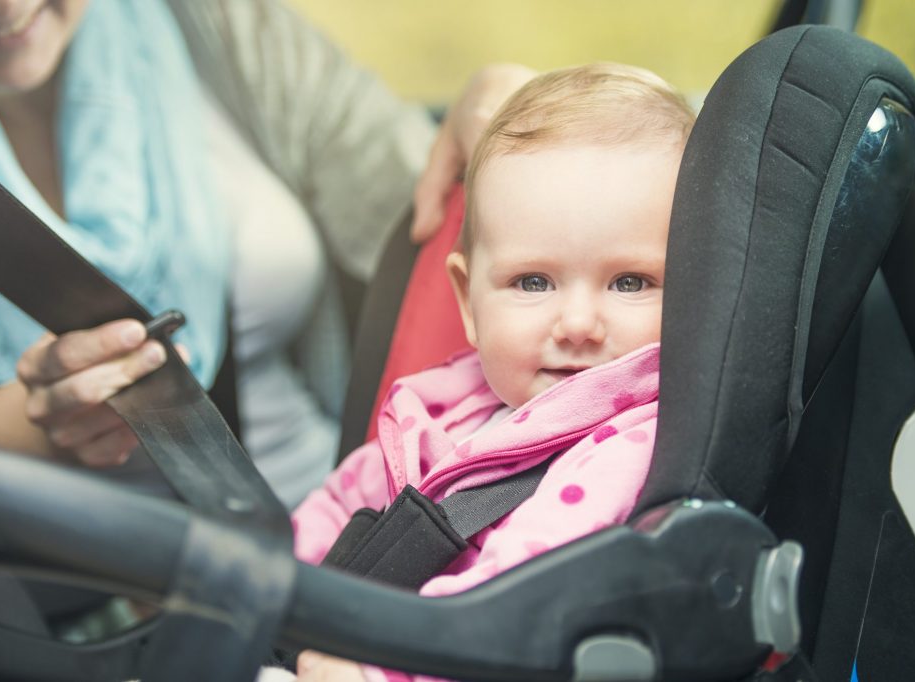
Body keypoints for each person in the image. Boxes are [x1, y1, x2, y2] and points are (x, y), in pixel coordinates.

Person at [0, 0, 534, 508]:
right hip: (85, 587)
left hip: (352, 526)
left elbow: (421, 208)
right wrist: (22, 427)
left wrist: (507, 122)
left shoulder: (216, 25)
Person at [289, 62, 696, 682]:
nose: (579, 323)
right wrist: (264, 585)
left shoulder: (631, 449)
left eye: (630, 281)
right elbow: (346, 500)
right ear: (468, 301)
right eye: (533, 282)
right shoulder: (451, 408)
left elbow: (512, 608)